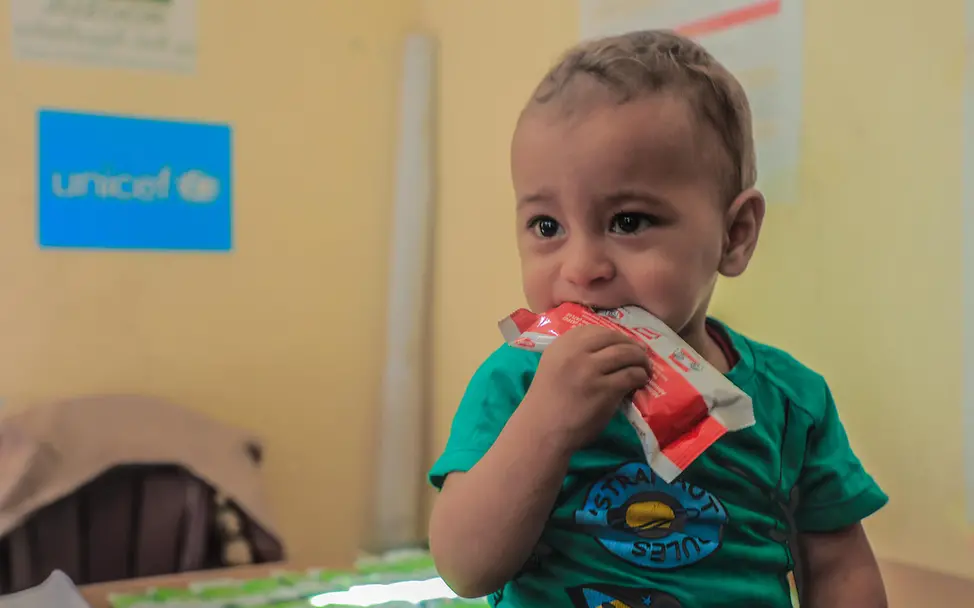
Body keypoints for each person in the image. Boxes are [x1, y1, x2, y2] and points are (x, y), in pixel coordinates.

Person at [427, 29, 888, 608]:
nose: (582, 267)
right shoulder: (516, 383)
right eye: (547, 227)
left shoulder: (791, 404)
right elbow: (466, 570)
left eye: (628, 222)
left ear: (734, 235)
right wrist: (549, 422)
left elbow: (840, 568)